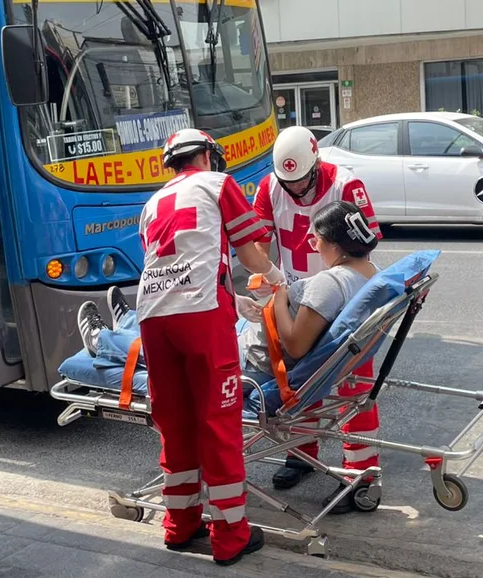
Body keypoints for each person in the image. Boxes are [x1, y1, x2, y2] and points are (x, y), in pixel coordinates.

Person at [77, 203, 381, 512]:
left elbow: (296, 345)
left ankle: (103, 341)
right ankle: (127, 323)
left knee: (179, 344)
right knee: (197, 320)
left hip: (252, 364)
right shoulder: (370, 276)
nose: (313, 246)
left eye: (316, 239)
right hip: (257, 349)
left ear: (334, 243)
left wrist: (279, 297)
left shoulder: (330, 285)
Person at [127, 128, 282, 565]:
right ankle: (230, 535)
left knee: (175, 422)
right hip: (201, 315)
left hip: (154, 316)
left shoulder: (152, 203)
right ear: (208, 156)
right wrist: (277, 280)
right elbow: (249, 255)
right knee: (218, 421)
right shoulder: (218, 185)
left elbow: (167, 259)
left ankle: (179, 525)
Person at [251, 125, 384, 496]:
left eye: (302, 183)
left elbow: (364, 243)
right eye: (286, 183)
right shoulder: (269, 187)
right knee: (300, 384)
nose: (294, 191)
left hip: (336, 293)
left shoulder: (346, 185)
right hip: (296, 292)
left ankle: (362, 468)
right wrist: (272, 278)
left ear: (316, 164)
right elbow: (258, 243)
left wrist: (332, 284)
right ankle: (300, 455)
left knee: (354, 386)